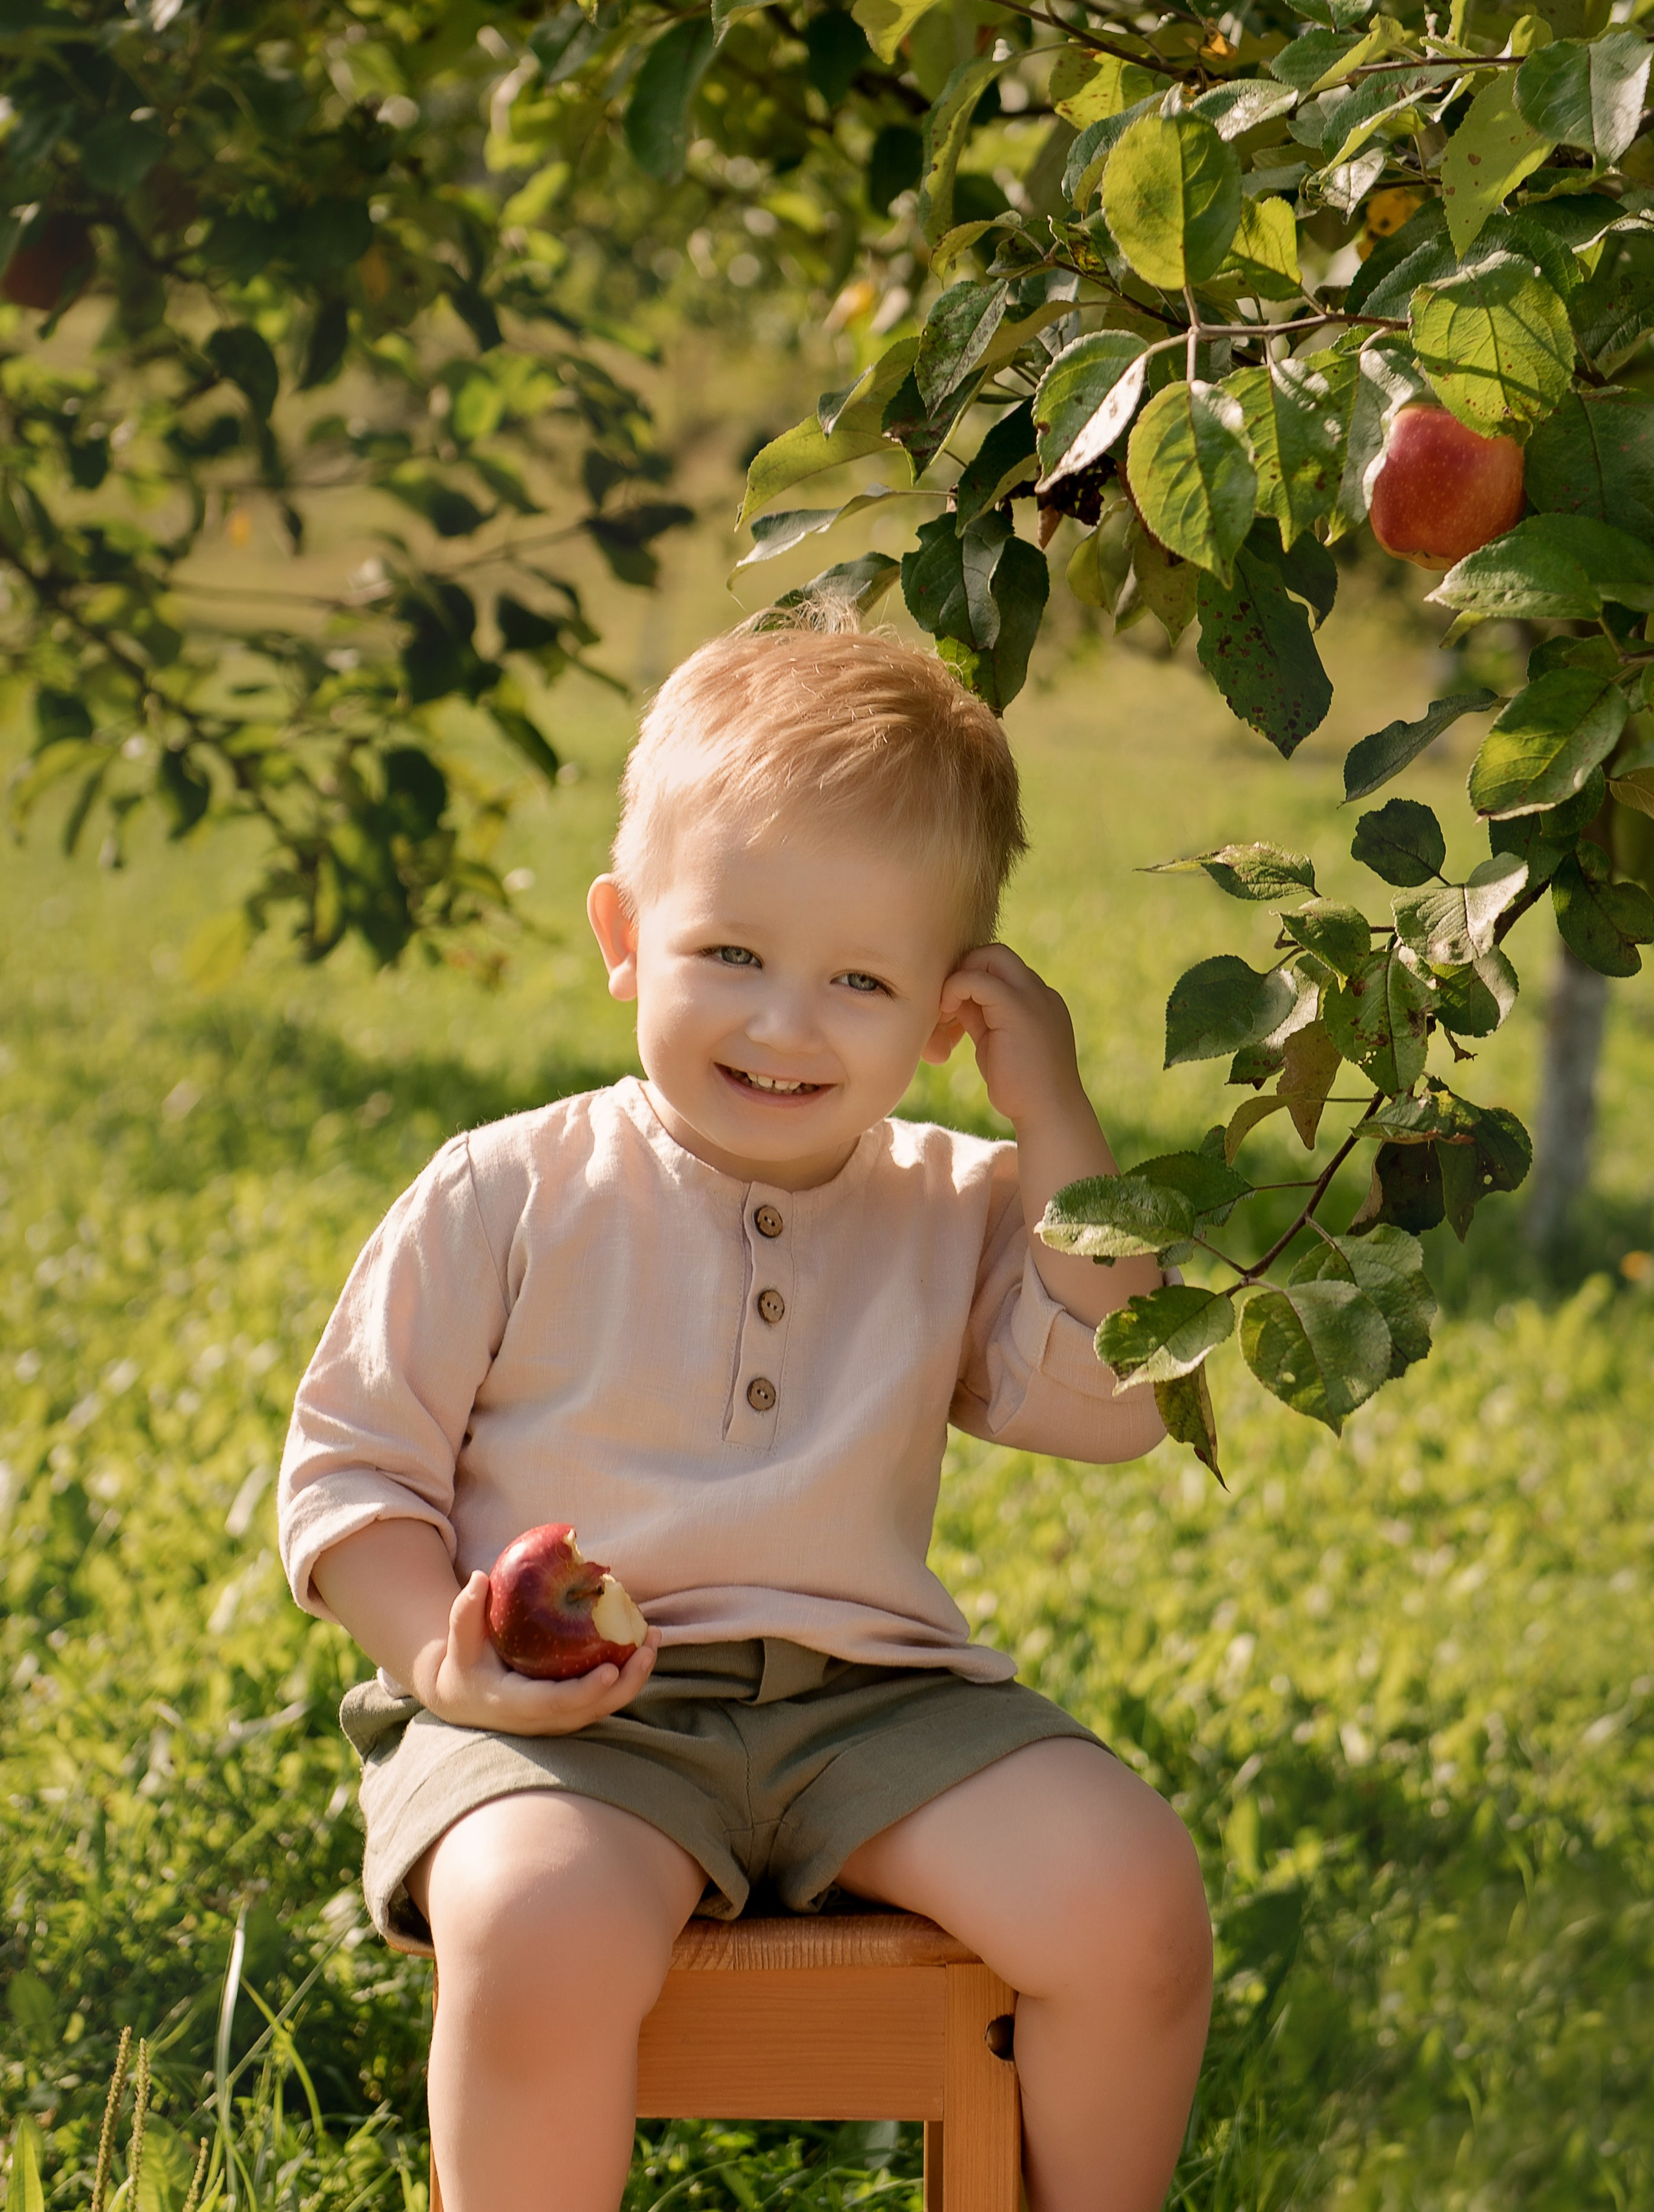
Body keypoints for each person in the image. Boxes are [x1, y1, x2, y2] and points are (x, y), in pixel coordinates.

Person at [277, 620, 1212, 2212]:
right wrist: (444, 1657)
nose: (785, 1026)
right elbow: (353, 1476)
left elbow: (1112, 1404)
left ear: (947, 1013)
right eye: (730, 954)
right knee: (539, 1925)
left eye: (860, 981)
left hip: (875, 1709)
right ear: (624, 934)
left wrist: (1055, 1114)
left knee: (1134, 1902)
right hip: (571, 1723)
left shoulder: (958, 1201)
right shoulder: (506, 1191)